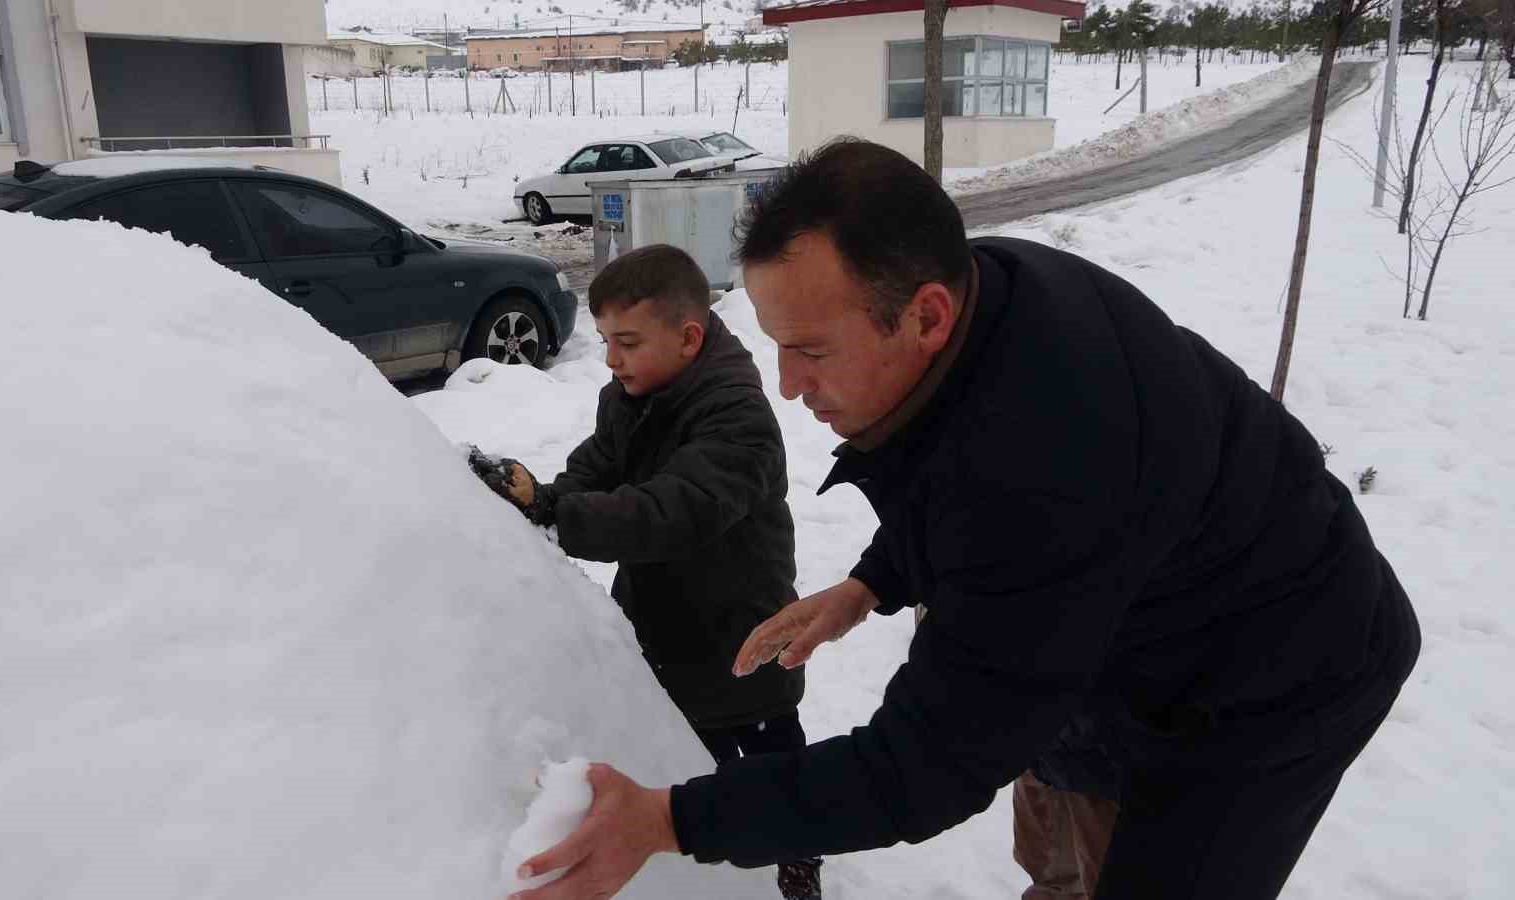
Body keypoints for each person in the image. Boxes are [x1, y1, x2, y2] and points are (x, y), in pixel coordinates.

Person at [502, 139, 1422, 900]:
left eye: (811, 351)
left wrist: (670, 819)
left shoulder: (1046, 466)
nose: (789, 385)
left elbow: (923, 768)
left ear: (927, 314)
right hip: (1128, 611)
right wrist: (877, 578)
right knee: (1062, 817)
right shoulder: (989, 297)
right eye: (780, 347)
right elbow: (949, 471)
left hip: (1281, 670)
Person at [472, 243, 823, 900]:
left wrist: (557, 512)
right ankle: (698, 874)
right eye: (604, 340)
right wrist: (538, 500)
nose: (610, 359)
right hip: (663, 624)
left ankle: (799, 861)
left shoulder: (735, 417)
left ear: (689, 337)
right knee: (687, 767)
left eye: (627, 342)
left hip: (743, 638)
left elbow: (672, 512)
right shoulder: (634, 392)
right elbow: (597, 468)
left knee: (775, 772)